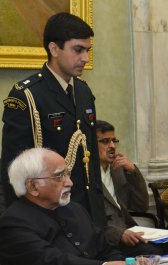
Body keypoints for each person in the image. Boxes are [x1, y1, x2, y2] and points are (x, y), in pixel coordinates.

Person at [1, 12, 106, 227]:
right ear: (54, 48)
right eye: (78, 50)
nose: (85, 58)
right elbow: (13, 169)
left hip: (86, 216)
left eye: (87, 51)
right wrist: (22, 227)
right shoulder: (27, 95)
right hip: (49, 218)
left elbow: (91, 160)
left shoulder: (83, 91)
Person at [0, 148, 125, 265]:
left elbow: (106, 249)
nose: (70, 183)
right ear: (33, 186)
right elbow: (54, 264)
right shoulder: (13, 223)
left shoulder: (75, 209)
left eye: (67, 174)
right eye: (59, 176)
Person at [96, 120, 168, 255]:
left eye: (114, 140)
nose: (112, 146)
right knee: (152, 251)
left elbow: (140, 206)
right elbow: (91, 221)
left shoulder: (117, 169)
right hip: (108, 237)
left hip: (129, 229)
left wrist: (132, 171)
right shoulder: (86, 177)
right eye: (105, 141)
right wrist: (120, 234)